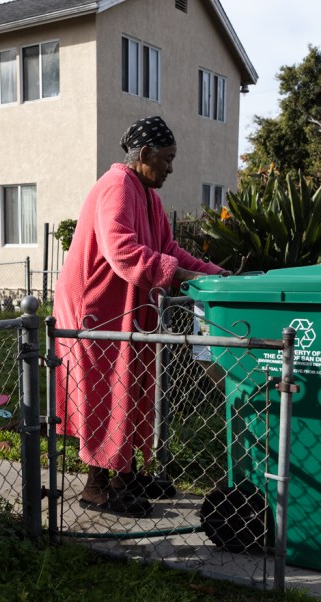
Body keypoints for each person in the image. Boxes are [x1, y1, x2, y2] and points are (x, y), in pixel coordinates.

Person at [53, 115, 230, 517]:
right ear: (145, 154)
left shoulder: (148, 194)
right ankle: (96, 489)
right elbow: (123, 253)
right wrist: (180, 276)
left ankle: (123, 477)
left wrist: (215, 275)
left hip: (126, 306)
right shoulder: (116, 186)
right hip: (94, 310)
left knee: (131, 389)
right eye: (166, 158)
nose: (171, 167)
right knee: (104, 393)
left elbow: (168, 251)